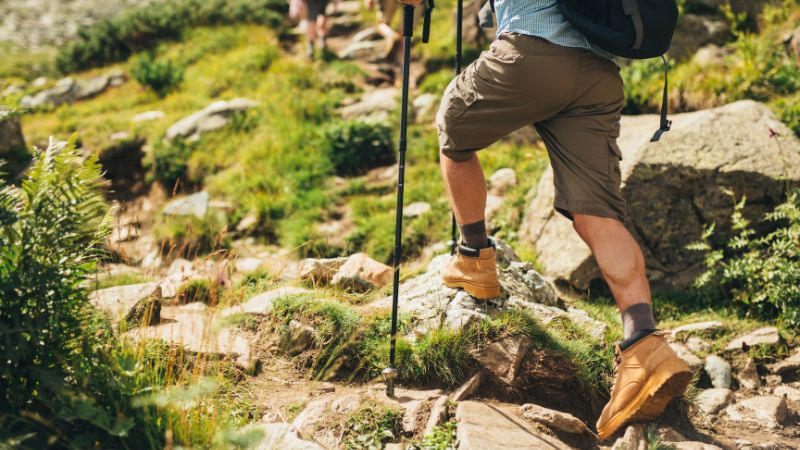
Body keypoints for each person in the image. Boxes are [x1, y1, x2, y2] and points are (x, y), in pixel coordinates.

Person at [435, 0, 691, 440]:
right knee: (598, 213)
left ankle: (475, 256)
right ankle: (644, 341)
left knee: (452, 125)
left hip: (530, 53)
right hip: (596, 75)